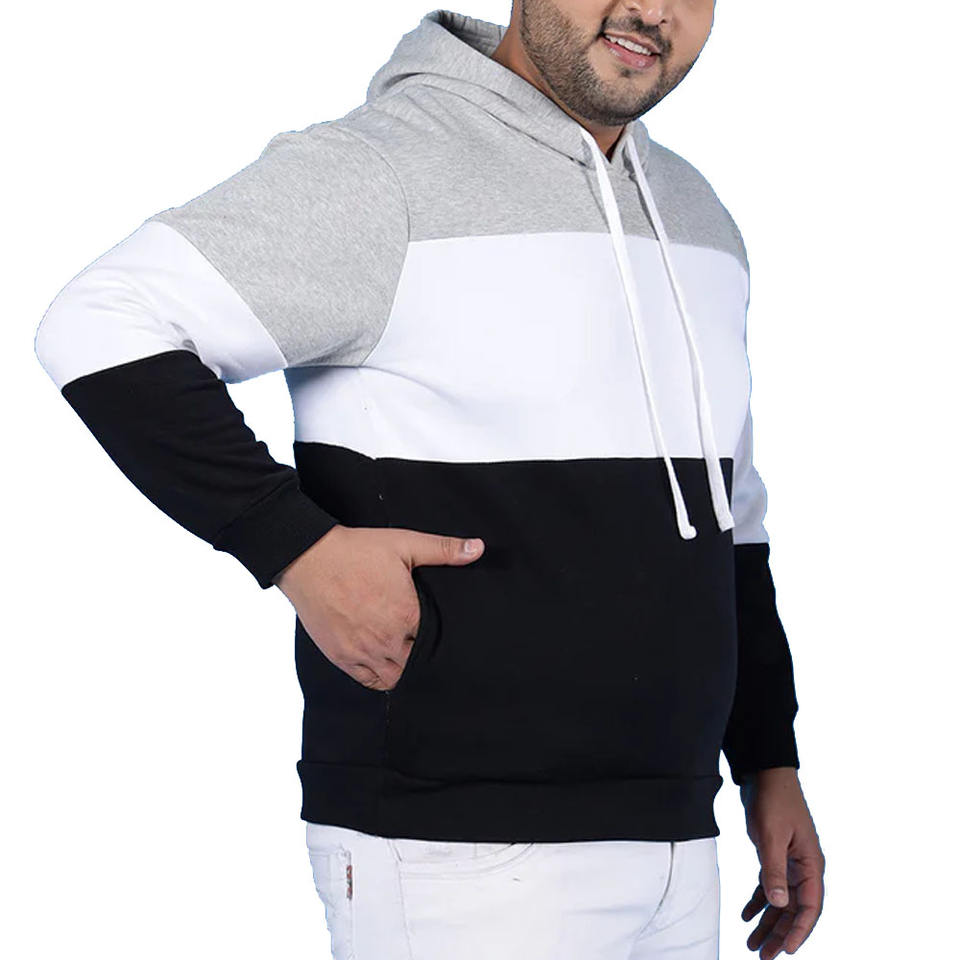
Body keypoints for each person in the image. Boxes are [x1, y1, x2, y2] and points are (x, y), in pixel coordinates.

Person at [34, 3, 826, 958]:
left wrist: (767, 760)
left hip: (678, 839)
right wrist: (291, 543)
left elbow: (731, 514)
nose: (651, 9)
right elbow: (101, 319)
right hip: (454, 851)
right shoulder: (383, 171)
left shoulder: (698, 215)